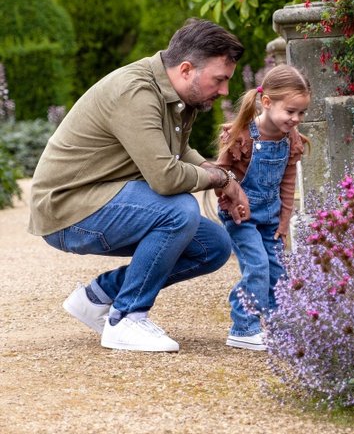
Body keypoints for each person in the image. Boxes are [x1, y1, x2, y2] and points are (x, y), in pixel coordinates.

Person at [29, 18, 252, 353]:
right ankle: (126, 318)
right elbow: (166, 178)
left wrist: (215, 171)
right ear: (187, 69)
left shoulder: (177, 94)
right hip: (68, 209)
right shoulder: (136, 92)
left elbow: (179, 152)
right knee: (178, 210)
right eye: (219, 80)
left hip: (102, 198)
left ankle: (99, 297)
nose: (224, 91)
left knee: (214, 245)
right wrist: (221, 179)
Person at [215, 64, 311, 351]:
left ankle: (277, 327)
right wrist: (230, 200)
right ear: (267, 102)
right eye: (290, 111)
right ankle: (243, 326)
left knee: (277, 270)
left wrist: (284, 222)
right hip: (241, 217)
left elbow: (288, 183)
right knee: (256, 266)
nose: (296, 119)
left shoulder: (290, 139)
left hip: (270, 217)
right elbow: (220, 174)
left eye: (301, 113)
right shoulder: (242, 135)